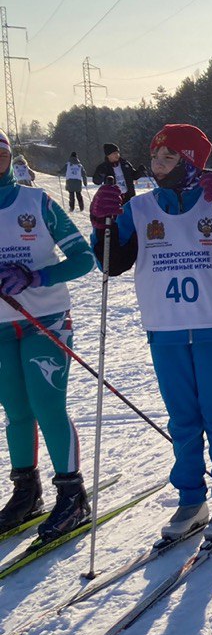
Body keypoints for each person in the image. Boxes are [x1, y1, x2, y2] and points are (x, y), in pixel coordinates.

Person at [91, 124, 212, 543]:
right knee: (183, 418)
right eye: (156, 157)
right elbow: (111, 264)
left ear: (191, 162)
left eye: (169, 158)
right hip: (164, 327)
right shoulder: (141, 208)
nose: (158, 165)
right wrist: (102, 224)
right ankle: (190, 497)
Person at [0, 129, 95, 540]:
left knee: (46, 406)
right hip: (1, 327)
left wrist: (35, 275)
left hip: (45, 319)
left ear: (9, 159)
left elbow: (84, 258)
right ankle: (26, 492)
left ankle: (73, 495)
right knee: (16, 412)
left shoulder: (35, 201)